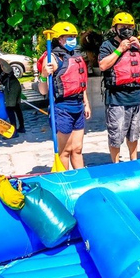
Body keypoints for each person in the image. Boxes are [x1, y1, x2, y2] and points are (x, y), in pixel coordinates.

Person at [98, 12, 140, 163]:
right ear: (115, 28)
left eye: (130, 26)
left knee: (134, 133)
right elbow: (103, 65)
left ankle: (133, 159)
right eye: (123, 26)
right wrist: (120, 49)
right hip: (117, 98)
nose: (127, 29)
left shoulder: (136, 45)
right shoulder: (108, 45)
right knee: (116, 134)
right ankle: (115, 163)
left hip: (136, 96)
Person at [38, 21, 91, 170]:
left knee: (78, 149)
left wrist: (86, 103)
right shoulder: (52, 59)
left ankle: (81, 180)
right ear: (59, 39)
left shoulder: (76, 55)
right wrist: (43, 75)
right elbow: (43, 91)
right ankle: (65, 181)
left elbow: (80, 83)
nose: (72, 39)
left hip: (78, 106)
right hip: (62, 108)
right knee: (65, 151)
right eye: (68, 36)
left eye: (73, 36)